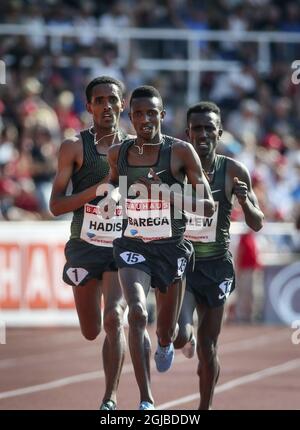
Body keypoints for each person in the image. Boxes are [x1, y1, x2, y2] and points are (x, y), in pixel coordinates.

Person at [103, 86, 215, 410]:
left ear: (162, 115)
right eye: (138, 114)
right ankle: (146, 400)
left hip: (171, 248)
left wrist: (165, 193)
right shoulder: (118, 153)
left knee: (168, 331)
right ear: (130, 117)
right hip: (133, 243)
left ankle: (167, 341)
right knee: (136, 312)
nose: (144, 119)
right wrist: (111, 197)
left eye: (151, 113)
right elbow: (113, 182)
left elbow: (207, 206)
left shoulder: (180, 152)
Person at [174, 101, 264, 410]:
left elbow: (257, 222)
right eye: (196, 128)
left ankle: (204, 408)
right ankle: (183, 337)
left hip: (216, 268)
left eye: (209, 128)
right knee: (178, 336)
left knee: (208, 348)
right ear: (188, 133)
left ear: (219, 132)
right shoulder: (176, 169)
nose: (203, 134)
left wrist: (244, 201)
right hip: (183, 265)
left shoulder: (234, 170)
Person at [50, 76, 131, 410]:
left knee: (114, 318)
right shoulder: (73, 146)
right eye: (100, 100)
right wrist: (95, 192)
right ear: (89, 106)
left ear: (122, 104)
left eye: (113, 99)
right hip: (85, 246)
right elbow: (56, 205)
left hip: (121, 247)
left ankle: (109, 398)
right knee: (91, 329)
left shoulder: (136, 149)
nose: (107, 106)